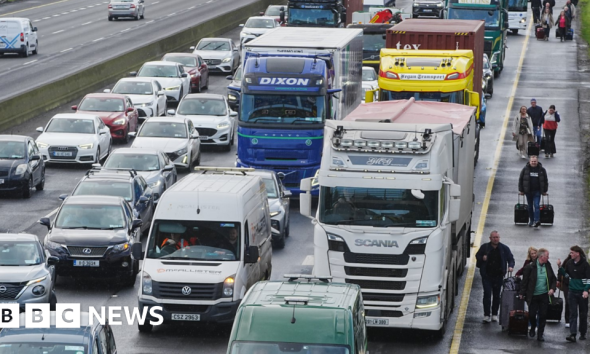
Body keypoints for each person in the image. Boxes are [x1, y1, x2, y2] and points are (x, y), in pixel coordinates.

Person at [475, 231, 515, 323]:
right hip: (487, 276)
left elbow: (510, 258)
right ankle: (486, 315)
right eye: (494, 237)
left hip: (498, 276)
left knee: (497, 296)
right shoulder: (485, 247)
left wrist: (510, 266)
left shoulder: (504, 248)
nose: (496, 239)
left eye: (497, 237)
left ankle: (494, 314)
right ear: (490, 238)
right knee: (487, 295)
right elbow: (477, 255)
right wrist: (482, 258)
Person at [519, 248, 557, 342]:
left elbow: (553, 279)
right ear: (541, 257)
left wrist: (552, 289)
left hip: (544, 295)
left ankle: (540, 334)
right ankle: (533, 326)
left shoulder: (548, 265)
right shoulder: (530, 267)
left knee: (543, 315)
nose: (548, 257)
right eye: (547, 256)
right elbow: (525, 282)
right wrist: (522, 293)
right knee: (532, 314)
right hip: (533, 295)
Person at [557, 245, 590, 342]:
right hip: (572, 291)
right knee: (572, 313)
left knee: (583, 313)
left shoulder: (585, 265)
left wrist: (586, 290)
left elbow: (589, 279)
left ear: (577, 253)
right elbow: (567, 275)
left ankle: (583, 333)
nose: (570, 254)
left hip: (582, 292)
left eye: (572, 253)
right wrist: (559, 267)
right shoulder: (569, 263)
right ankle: (573, 334)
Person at [518, 156, 549, 228]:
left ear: (537, 161)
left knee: (537, 205)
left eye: (535, 161)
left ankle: (536, 220)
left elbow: (545, 180)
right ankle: (531, 220)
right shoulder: (525, 169)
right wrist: (521, 190)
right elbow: (521, 179)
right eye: (532, 161)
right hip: (528, 191)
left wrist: (544, 190)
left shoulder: (542, 170)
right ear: (529, 161)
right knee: (530, 206)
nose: (533, 163)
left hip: (537, 191)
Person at [558, 254, 573, 328]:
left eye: (572, 252)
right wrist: (558, 280)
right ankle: (568, 320)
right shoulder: (567, 262)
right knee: (568, 300)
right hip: (566, 284)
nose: (571, 254)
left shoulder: (583, 263)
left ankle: (572, 318)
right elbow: (562, 272)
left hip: (576, 285)